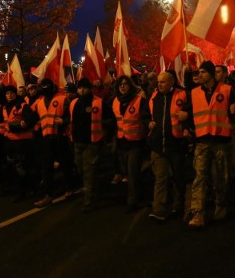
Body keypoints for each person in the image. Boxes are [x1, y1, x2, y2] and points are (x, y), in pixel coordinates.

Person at [185, 61, 235, 227]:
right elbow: (189, 112)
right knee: (200, 177)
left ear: (211, 74)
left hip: (221, 141)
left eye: (202, 72)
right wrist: (186, 125)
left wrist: (234, 111)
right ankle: (198, 213)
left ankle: (221, 205)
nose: (199, 75)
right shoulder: (193, 93)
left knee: (221, 177)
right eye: (198, 72)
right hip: (202, 141)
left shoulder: (228, 90)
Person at [147, 71, 189, 221]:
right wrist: (149, 123)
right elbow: (147, 115)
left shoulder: (182, 95)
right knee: (161, 177)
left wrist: (187, 117)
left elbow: (192, 112)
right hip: (158, 144)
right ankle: (158, 209)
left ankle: (179, 204)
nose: (159, 84)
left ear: (172, 82)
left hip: (176, 144)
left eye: (163, 82)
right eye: (158, 82)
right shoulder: (153, 97)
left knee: (179, 176)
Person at [70, 77, 115, 212]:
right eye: (79, 88)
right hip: (78, 142)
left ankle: (90, 200)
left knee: (89, 171)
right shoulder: (74, 103)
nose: (81, 90)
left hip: (93, 142)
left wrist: (104, 130)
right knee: (80, 168)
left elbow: (110, 119)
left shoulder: (99, 103)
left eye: (83, 87)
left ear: (89, 89)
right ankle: (96, 189)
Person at [33, 78, 76, 207]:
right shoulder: (39, 103)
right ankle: (48, 195)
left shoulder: (62, 99)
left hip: (60, 137)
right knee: (47, 168)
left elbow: (71, 116)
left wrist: (64, 121)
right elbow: (35, 117)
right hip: (46, 139)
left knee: (65, 164)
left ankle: (69, 188)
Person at [111, 75, 151, 212]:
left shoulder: (140, 101)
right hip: (121, 143)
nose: (122, 86)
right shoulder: (115, 101)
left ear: (131, 86)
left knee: (132, 173)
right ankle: (139, 196)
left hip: (136, 142)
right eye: (120, 84)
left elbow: (146, 118)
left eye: (125, 84)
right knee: (127, 174)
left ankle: (132, 201)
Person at [1, 85, 36, 202]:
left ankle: (27, 189)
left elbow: (30, 119)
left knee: (24, 167)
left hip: (23, 142)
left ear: (15, 94)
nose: (9, 95)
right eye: (7, 93)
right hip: (10, 142)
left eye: (11, 93)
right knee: (16, 168)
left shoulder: (22, 105)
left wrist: (20, 125)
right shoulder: (5, 107)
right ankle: (23, 190)